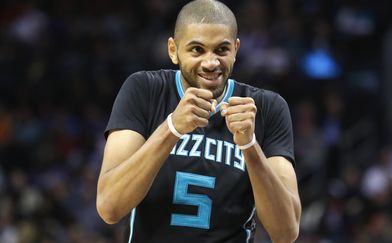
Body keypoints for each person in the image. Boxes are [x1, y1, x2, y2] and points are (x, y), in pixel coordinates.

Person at [96, 0, 301, 242]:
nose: (211, 62)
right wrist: (172, 128)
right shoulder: (144, 90)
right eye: (197, 49)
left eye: (222, 50)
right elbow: (109, 207)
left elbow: (286, 232)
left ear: (236, 50)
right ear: (173, 50)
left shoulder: (266, 108)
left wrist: (249, 145)